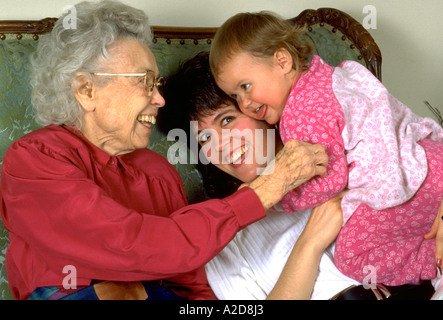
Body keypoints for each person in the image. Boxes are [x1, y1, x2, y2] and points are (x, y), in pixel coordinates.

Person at [0, 2, 328, 300]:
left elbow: (190, 284)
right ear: (87, 90)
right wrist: (263, 191)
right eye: (145, 82)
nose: (159, 99)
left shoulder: (157, 170)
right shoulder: (35, 158)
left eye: (157, 84)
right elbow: (127, 245)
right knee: (116, 292)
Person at [208, 11, 443, 297]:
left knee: (351, 256)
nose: (245, 102)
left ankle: (431, 262)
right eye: (235, 96)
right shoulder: (326, 76)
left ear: (282, 61)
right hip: (429, 158)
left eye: (246, 87)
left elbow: (329, 179)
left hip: (411, 181)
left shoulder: (298, 116)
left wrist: (277, 195)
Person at [157, 51, 360, 300]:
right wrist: (310, 243)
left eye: (227, 119)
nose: (220, 144)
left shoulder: (348, 151)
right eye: (205, 138)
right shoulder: (223, 238)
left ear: (260, 109)